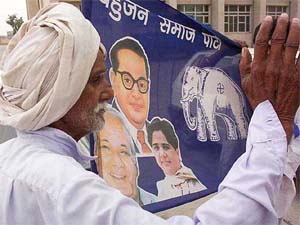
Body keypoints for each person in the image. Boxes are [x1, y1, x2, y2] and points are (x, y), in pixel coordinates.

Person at [0, 3, 299, 224]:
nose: (110, 91)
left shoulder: (10, 158)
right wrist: (276, 123)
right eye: (95, 80)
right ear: (57, 96)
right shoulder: (62, 186)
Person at [95, 108, 157, 205]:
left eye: (123, 152)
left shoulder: (159, 203)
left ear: (135, 163)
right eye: (106, 148)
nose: (118, 162)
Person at [109, 37, 152, 155]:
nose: (136, 94)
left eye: (142, 84)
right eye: (127, 80)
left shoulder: (160, 134)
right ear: (113, 79)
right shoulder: (106, 132)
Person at [148, 117, 206, 201]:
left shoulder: (196, 177)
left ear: (177, 151)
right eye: (156, 148)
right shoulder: (162, 189)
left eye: (166, 147)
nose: (162, 154)